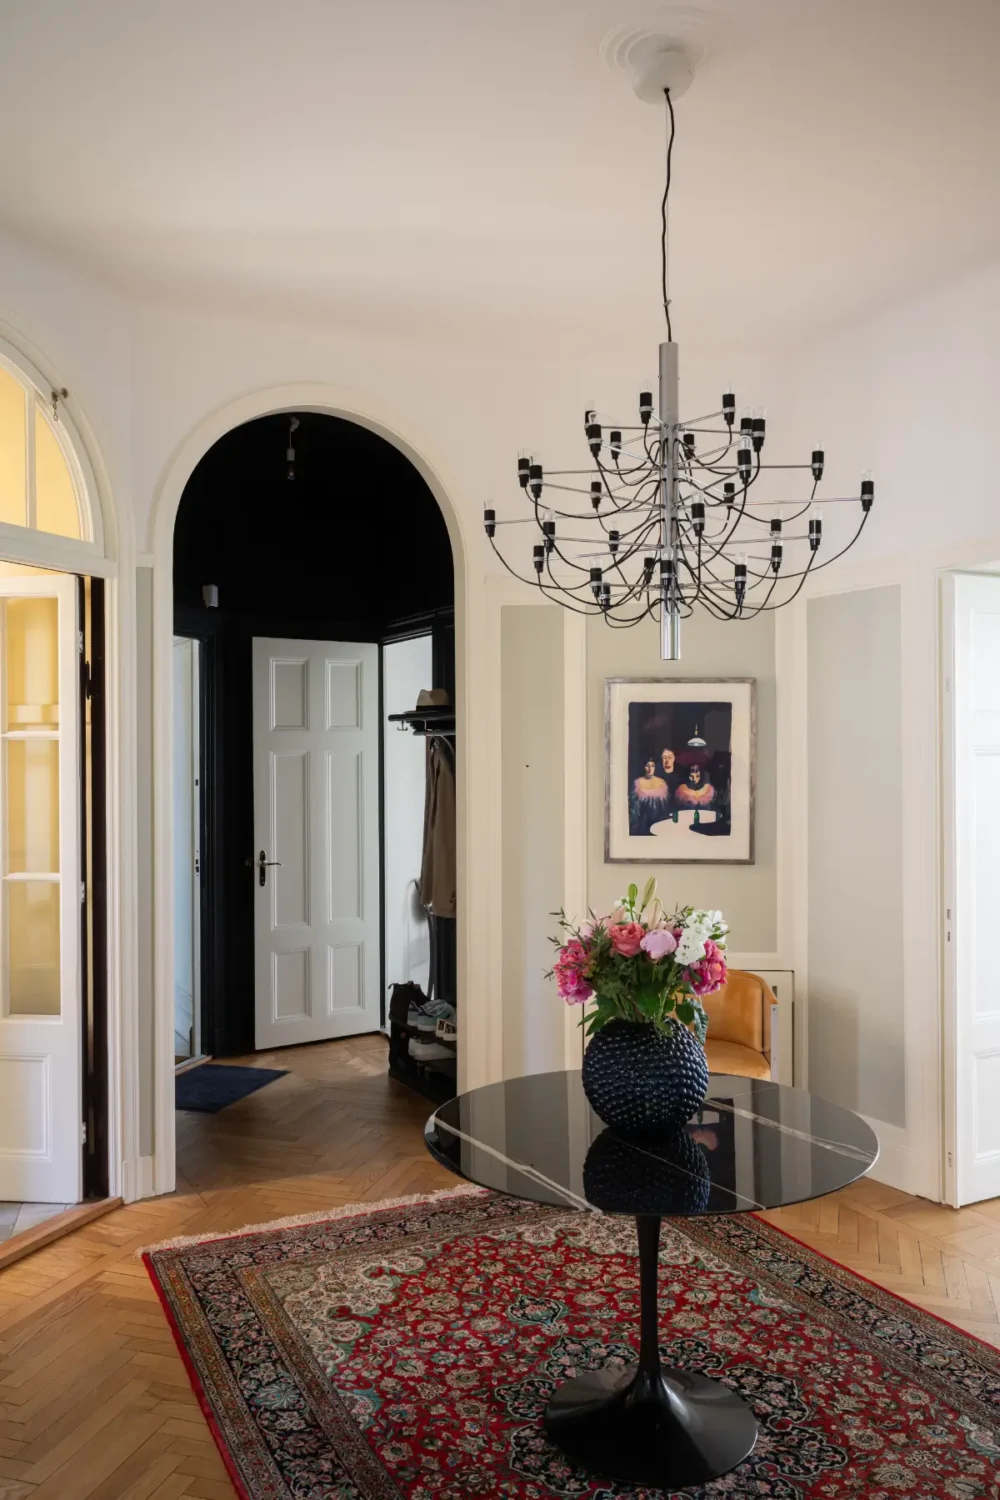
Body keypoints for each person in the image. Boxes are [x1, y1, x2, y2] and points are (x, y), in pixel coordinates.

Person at [629, 757, 670, 835]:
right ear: (643, 767)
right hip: (642, 824)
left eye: (652, 766)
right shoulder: (637, 783)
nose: (650, 768)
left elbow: (666, 807)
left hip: (660, 821)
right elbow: (633, 808)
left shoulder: (662, 783)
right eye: (647, 765)